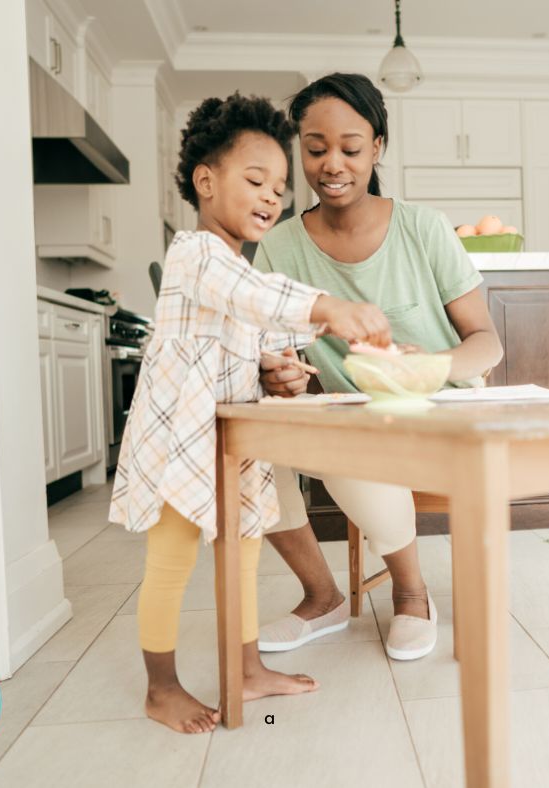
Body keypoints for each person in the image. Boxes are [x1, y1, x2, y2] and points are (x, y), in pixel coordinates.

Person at [108, 93, 392, 734]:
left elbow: (258, 337)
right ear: (206, 182)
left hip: (234, 441)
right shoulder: (196, 254)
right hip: (182, 442)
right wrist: (329, 308)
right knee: (173, 561)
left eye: (280, 188)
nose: (273, 198)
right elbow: (252, 295)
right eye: (256, 181)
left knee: (242, 556)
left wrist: (282, 371)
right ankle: (161, 687)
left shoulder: (237, 265)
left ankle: (244, 667)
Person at [254, 74, 503, 661]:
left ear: (378, 147)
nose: (332, 164)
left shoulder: (423, 228)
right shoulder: (280, 246)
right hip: (348, 418)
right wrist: (276, 374)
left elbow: (488, 342)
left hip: (443, 408)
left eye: (350, 148)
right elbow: (275, 352)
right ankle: (322, 597)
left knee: (348, 439)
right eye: (315, 150)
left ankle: (411, 593)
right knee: (247, 441)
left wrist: (434, 365)